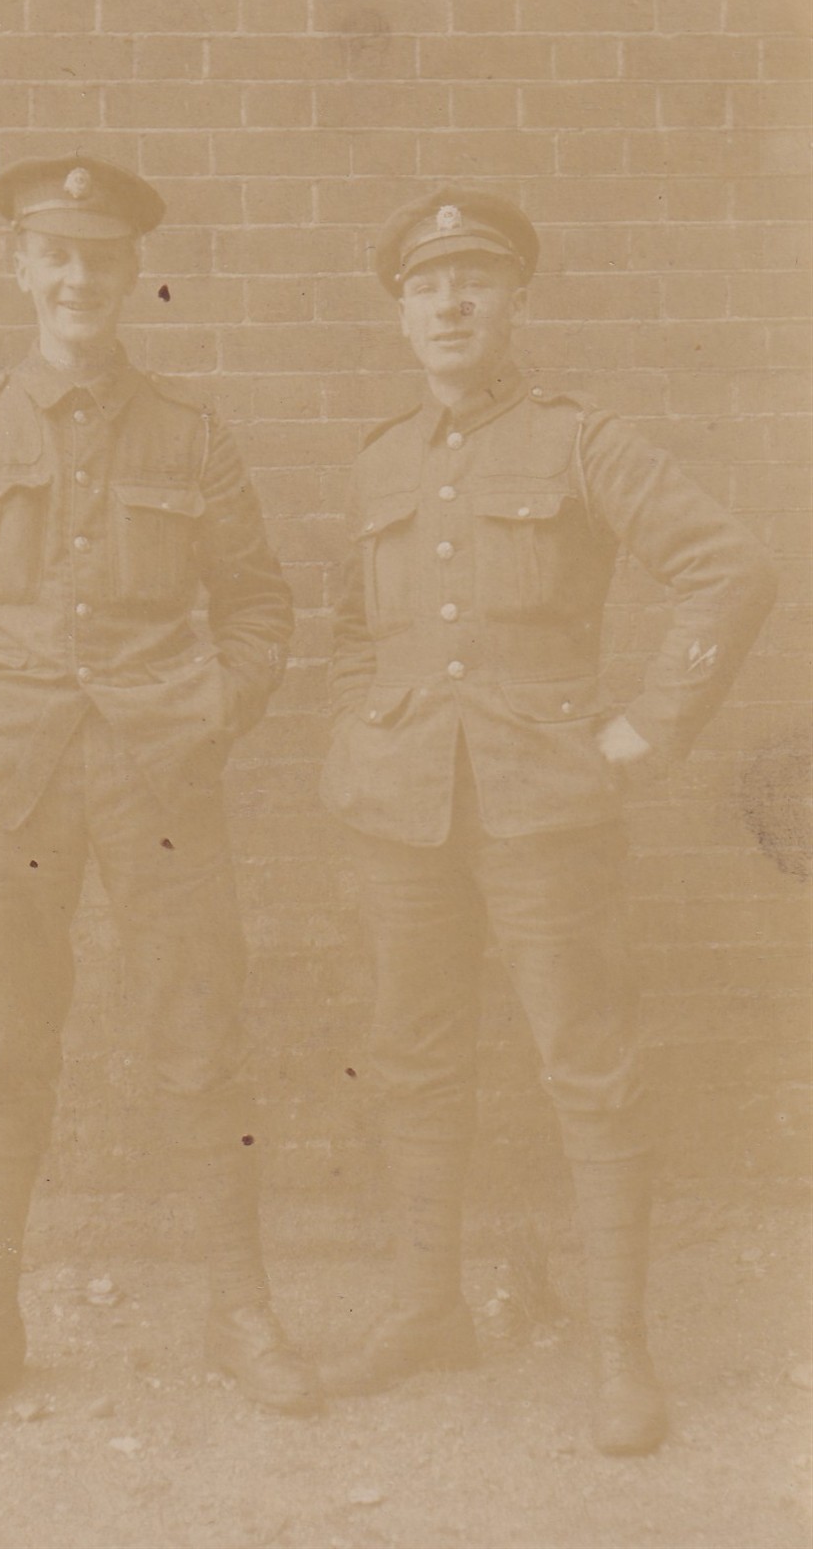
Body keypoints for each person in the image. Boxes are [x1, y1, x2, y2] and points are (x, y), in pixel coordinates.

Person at [319, 186, 777, 1454]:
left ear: (513, 301)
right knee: (412, 1058)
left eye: (474, 280)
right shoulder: (376, 460)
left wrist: (648, 727)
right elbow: (356, 630)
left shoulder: (585, 441)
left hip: (544, 812)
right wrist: (367, 729)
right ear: (402, 312)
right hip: (401, 815)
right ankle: (426, 1308)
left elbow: (729, 566)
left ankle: (620, 1348)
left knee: (588, 1067)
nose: (449, 302)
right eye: (426, 285)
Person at [0, 154, 320, 1433]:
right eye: (54, 255)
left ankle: (241, 1310)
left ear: (132, 278)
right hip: (8, 777)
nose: (78, 279)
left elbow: (259, 603)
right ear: (20, 268)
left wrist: (214, 710)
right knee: (1, 1044)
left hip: (157, 770)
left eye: (101, 260)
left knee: (199, 1035)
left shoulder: (190, 432)